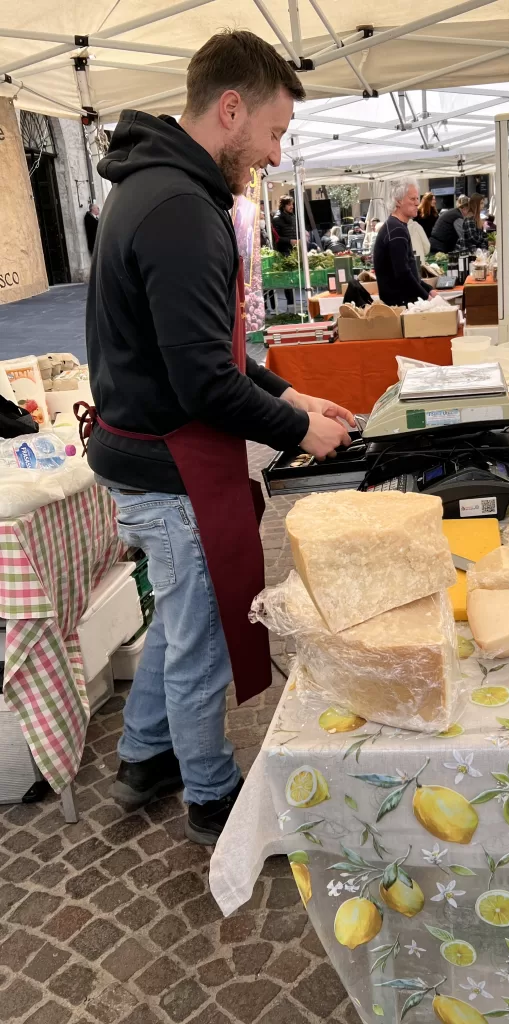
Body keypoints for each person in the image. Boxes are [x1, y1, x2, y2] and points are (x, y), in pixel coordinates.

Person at [85, 29, 355, 844]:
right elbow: (204, 381)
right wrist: (299, 429)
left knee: (175, 619)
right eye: (272, 133)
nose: (273, 155)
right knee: (199, 631)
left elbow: (213, 351)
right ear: (230, 109)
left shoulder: (158, 186)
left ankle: (143, 758)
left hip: (143, 450)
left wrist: (289, 389)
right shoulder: (180, 210)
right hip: (166, 462)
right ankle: (213, 798)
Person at [373, 181, 438, 306]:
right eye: (412, 199)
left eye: (417, 198)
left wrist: (429, 290)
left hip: (402, 303)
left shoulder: (397, 227)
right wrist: (427, 298)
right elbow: (403, 275)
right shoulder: (396, 230)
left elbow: (409, 273)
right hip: (400, 306)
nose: (417, 203)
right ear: (398, 201)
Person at [270, 194, 298, 308]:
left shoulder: (292, 216)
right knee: (288, 279)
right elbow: (276, 238)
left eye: (292, 204)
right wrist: (290, 241)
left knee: (294, 277)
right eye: (290, 204)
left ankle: (294, 304)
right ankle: (290, 304)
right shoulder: (277, 219)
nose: (292, 206)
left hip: (293, 250)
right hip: (284, 251)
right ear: (284, 205)